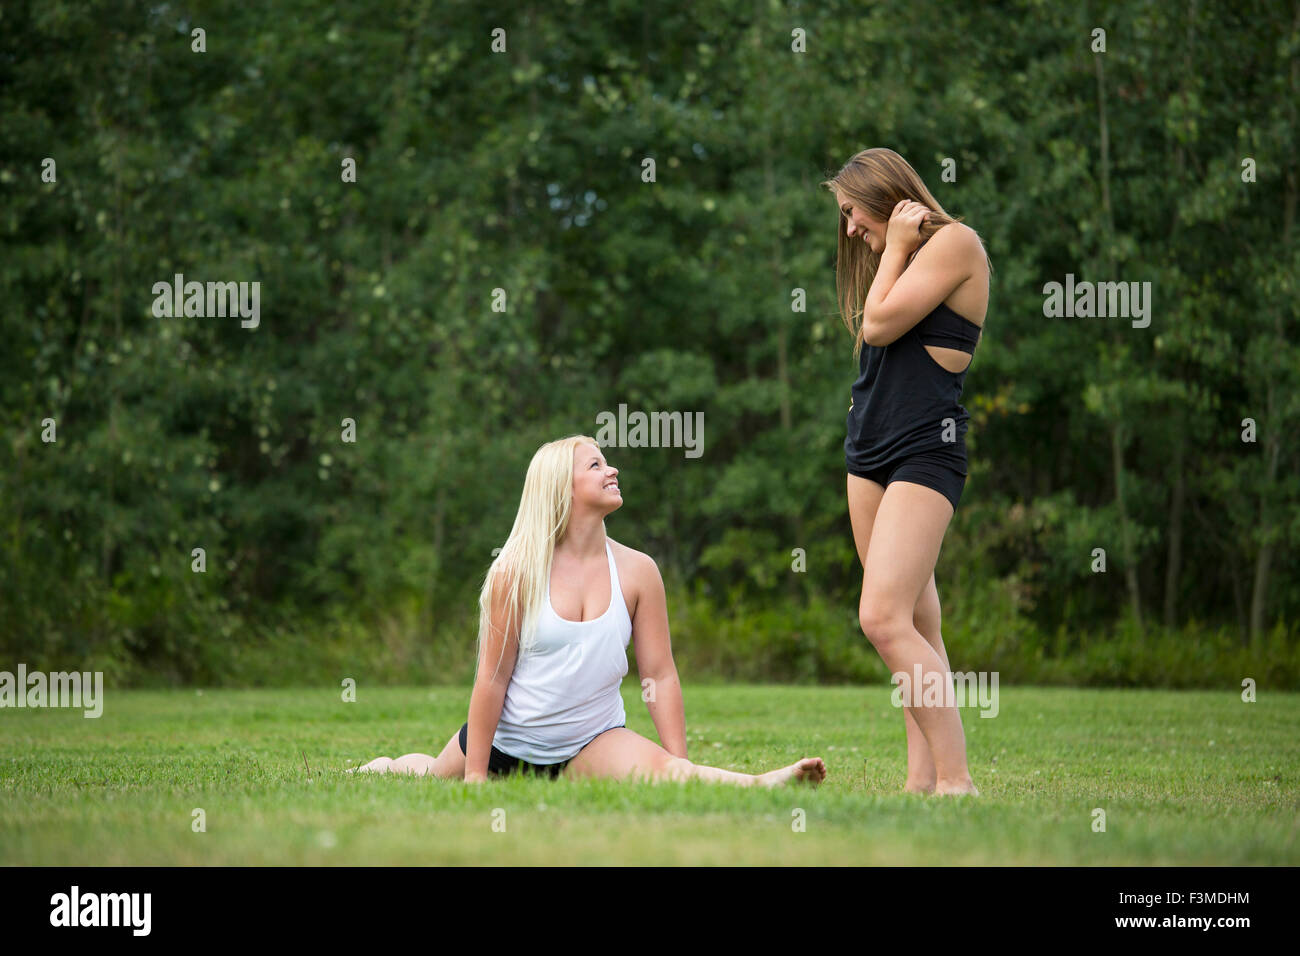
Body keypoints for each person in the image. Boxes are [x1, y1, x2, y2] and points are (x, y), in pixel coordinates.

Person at [350, 435, 826, 787]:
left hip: (592, 742)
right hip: (505, 745)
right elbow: (491, 679)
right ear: (563, 488)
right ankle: (385, 766)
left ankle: (765, 782)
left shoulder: (639, 571)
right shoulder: (515, 572)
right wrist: (476, 774)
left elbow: (659, 674)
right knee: (431, 775)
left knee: (665, 771)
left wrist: (680, 765)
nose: (612, 470)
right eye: (596, 465)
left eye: (607, 461)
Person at [822, 147, 988, 795]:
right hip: (867, 452)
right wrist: (891, 250)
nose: (849, 229)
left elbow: (880, 325)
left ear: (884, 197)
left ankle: (957, 780)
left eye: (852, 212)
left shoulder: (955, 244)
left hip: (925, 450)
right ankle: (922, 784)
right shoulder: (898, 260)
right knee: (916, 624)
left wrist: (893, 246)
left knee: (882, 617)